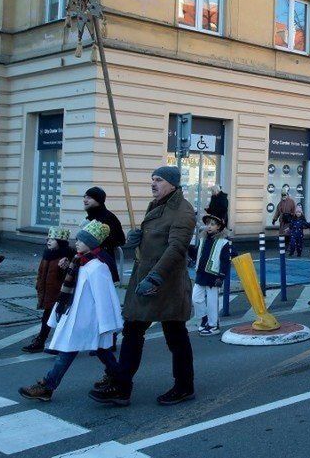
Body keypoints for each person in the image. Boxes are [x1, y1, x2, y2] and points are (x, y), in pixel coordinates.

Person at [89, 166, 196, 407]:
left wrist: (156, 277)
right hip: (145, 280)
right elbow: (154, 240)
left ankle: (184, 386)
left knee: (175, 336)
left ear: (172, 184)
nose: (153, 183)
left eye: (158, 180)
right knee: (133, 330)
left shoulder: (183, 211)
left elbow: (176, 249)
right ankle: (121, 386)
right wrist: (134, 240)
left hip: (166, 285)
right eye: (152, 179)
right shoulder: (155, 205)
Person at [18, 221, 123, 402]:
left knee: (69, 351)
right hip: (77, 317)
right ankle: (119, 378)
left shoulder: (97, 266)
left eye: (82, 240)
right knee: (100, 350)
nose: (77, 243)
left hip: (88, 320)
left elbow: (104, 298)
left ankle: (47, 387)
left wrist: (106, 324)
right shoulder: (80, 261)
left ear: (91, 243)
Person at [21, 227, 75, 353]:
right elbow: (41, 272)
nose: (49, 241)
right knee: (47, 318)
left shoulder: (65, 257)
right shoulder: (47, 254)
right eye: (48, 239)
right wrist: (38, 285)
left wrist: (67, 266)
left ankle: (54, 343)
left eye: (53, 239)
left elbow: (69, 276)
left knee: (59, 319)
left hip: (59, 294)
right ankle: (42, 341)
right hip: (47, 293)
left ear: (60, 242)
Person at [189, 213, 231, 336]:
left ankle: (214, 326)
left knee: (212, 302)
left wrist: (221, 276)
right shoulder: (203, 239)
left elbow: (225, 261)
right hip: (201, 274)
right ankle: (204, 318)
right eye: (208, 224)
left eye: (212, 224)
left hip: (214, 276)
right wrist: (188, 248)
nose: (209, 226)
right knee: (196, 298)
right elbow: (198, 254)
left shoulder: (223, 242)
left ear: (219, 227)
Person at [82, 187, 126, 282]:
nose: (85, 200)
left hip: (101, 261)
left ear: (98, 200)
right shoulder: (89, 217)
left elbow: (120, 240)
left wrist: (98, 239)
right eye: (84, 197)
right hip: (87, 259)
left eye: (89, 197)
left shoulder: (108, 217)